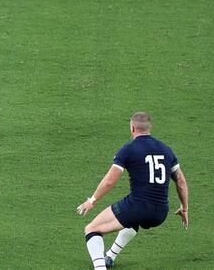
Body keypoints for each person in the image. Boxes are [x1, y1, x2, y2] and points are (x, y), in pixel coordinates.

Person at [76, 112, 189, 269]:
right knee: (131, 221)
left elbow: (110, 180)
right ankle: (110, 256)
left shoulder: (129, 149)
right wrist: (184, 208)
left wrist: (92, 200)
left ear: (133, 128)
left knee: (91, 229)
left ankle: (99, 268)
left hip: (138, 207)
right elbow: (181, 182)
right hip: (160, 212)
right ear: (150, 128)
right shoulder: (166, 150)